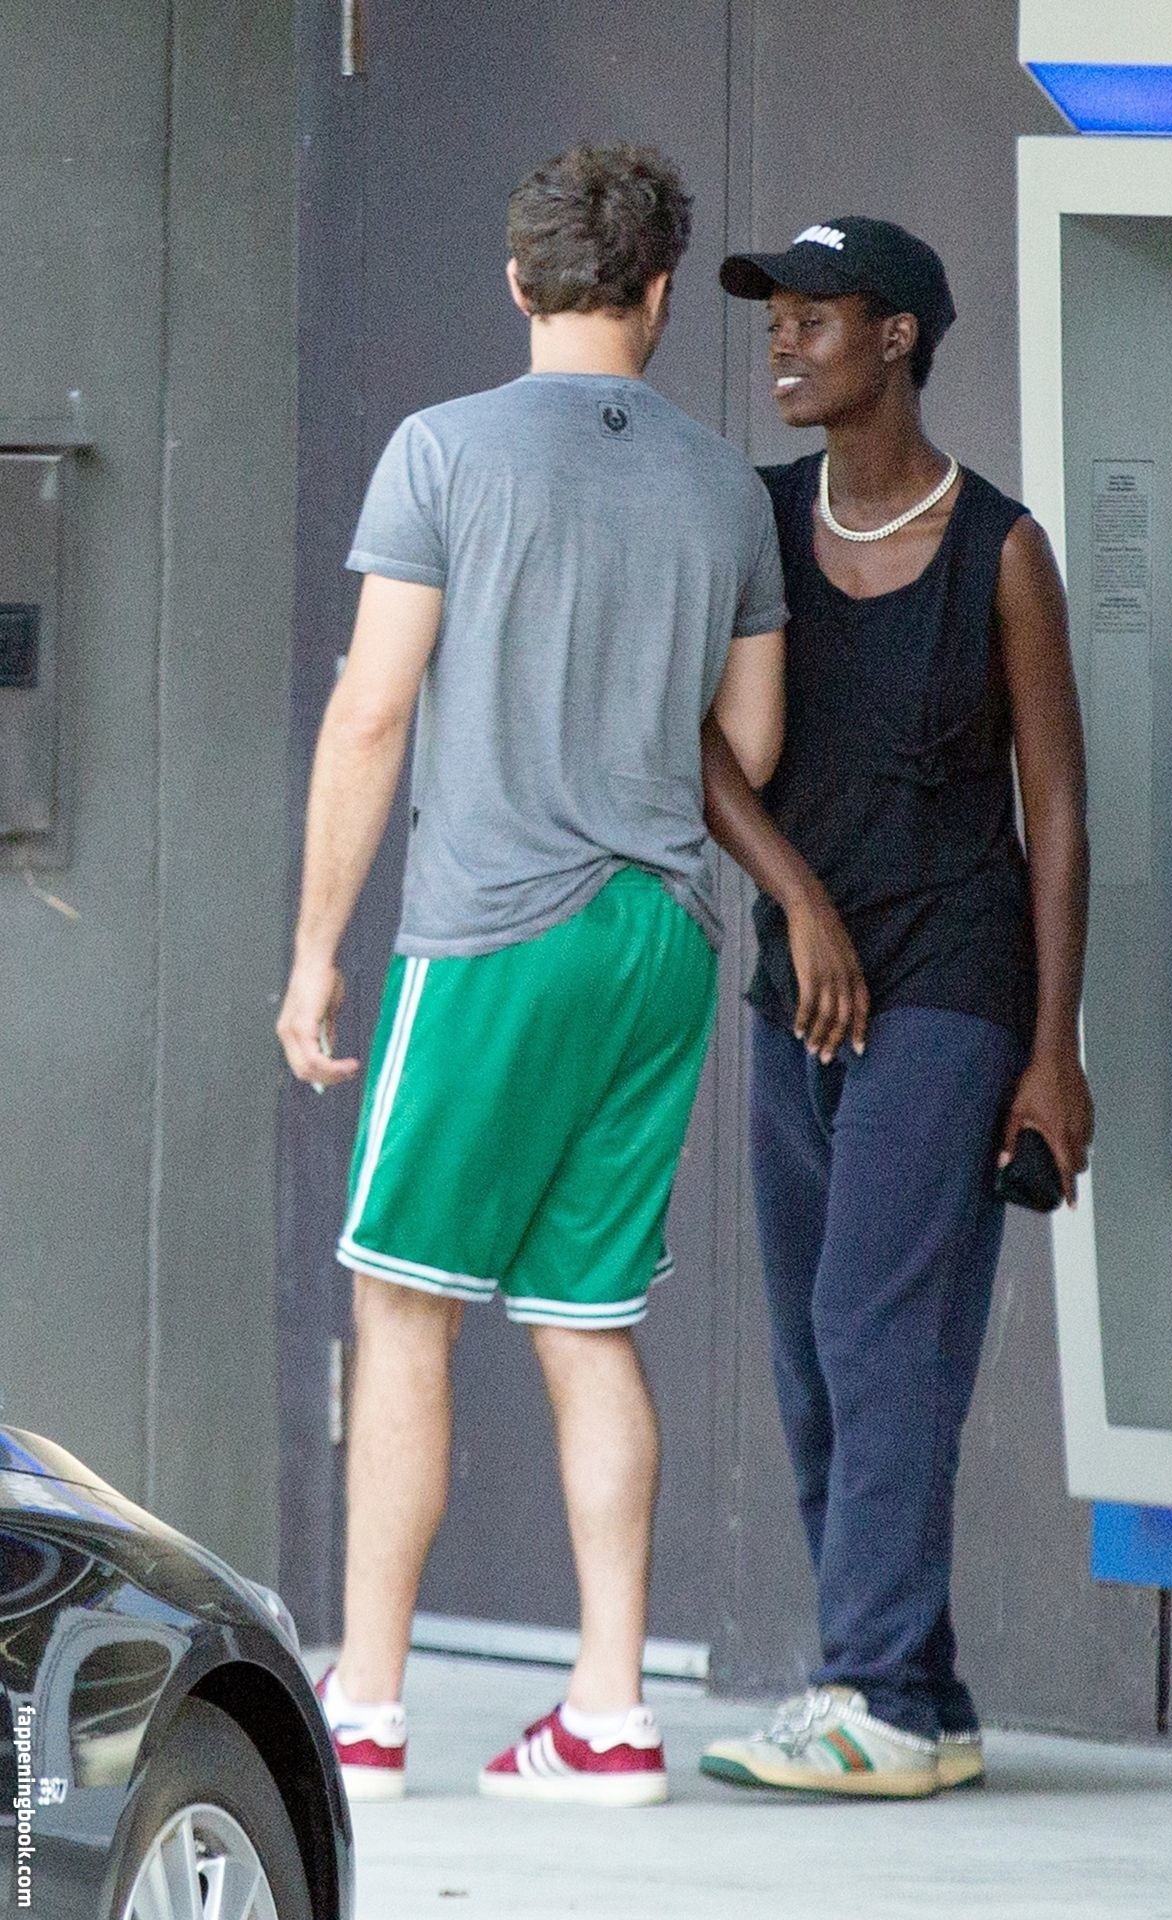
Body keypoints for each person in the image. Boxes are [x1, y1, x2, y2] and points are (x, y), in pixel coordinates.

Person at [275, 144, 857, 1809]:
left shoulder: (441, 450)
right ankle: (609, 1712)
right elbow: (751, 744)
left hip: (492, 933)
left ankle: (367, 1709)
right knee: (591, 1324)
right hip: (659, 938)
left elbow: (373, 711)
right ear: (663, 294)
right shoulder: (725, 491)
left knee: (404, 1308)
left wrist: (314, 956)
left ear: (520, 281)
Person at [697, 217, 1094, 1797]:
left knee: (878, 1328)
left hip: (952, 986)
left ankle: (865, 1687)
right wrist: (798, 899)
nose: (784, 343)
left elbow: (1057, 810)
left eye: (817, 317)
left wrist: (1054, 1054)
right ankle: (919, 1694)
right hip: (799, 990)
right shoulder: (752, 520)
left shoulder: (1002, 550)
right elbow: (693, 738)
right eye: (773, 319)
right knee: (817, 1352)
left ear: (901, 339)